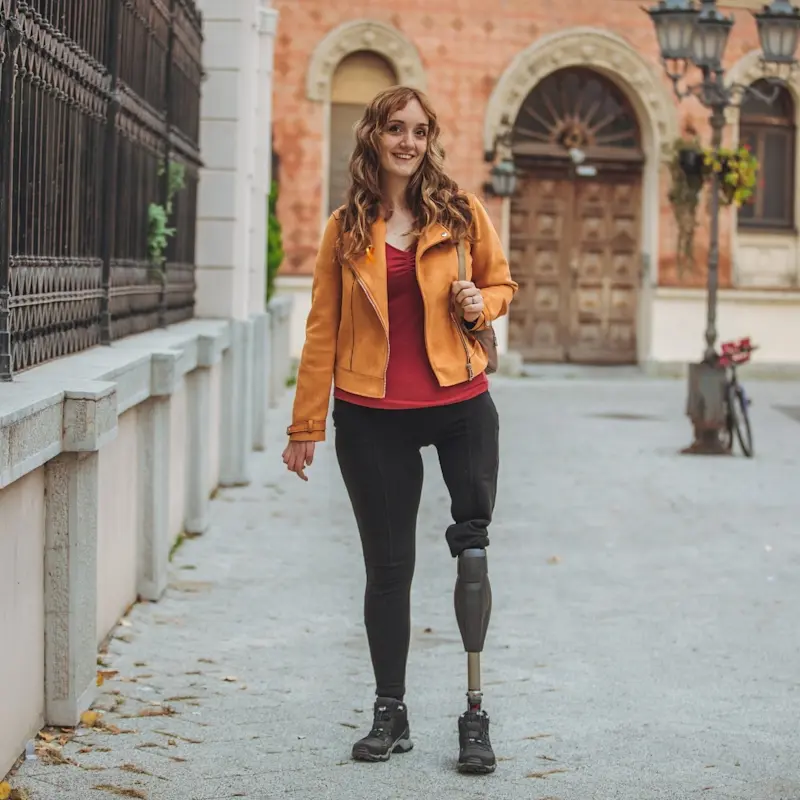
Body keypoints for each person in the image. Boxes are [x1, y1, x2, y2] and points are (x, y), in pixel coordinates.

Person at [281, 85, 518, 774]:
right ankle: (391, 710)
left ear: (430, 138)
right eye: (395, 129)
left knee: (470, 550)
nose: (408, 141)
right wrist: (306, 427)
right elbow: (321, 330)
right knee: (388, 571)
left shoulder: (462, 212)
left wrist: (481, 302)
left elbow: (502, 285)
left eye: (419, 130)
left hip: (459, 403)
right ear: (374, 137)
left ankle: (475, 713)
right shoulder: (344, 227)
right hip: (371, 414)